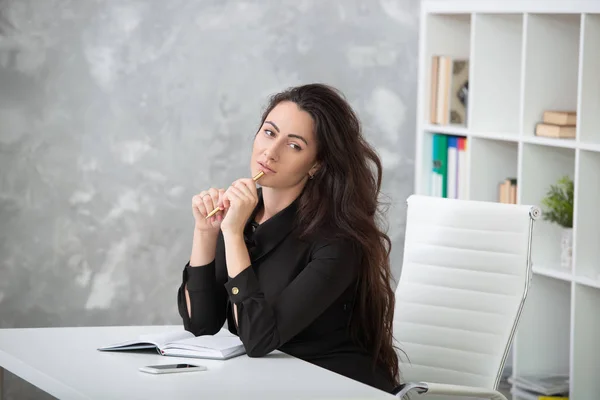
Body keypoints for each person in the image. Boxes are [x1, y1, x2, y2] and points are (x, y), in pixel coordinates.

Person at [176, 83, 400, 393]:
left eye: (294, 145)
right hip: (272, 384)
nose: (271, 152)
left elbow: (258, 339)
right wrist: (206, 232)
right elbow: (201, 325)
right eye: (269, 133)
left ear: (316, 164)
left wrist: (232, 234)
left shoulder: (338, 242)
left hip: (339, 386)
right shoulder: (243, 216)